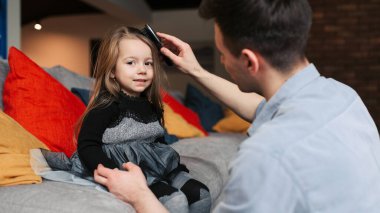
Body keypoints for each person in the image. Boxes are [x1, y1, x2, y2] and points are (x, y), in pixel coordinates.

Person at [94, 0, 380, 212]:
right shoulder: (342, 97)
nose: (224, 62)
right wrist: (197, 71)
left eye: (222, 54)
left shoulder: (267, 155)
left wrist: (139, 196)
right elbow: (262, 108)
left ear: (248, 61)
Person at [38, 26, 211, 213]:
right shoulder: (107, 106)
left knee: (200, 194)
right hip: (123, 169)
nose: (142, 70)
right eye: (131, 63)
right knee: (175, 201)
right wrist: (115, 173)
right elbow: (87, 145)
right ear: (112, 70)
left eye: (148, 63)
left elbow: (157, 141)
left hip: (155, 166)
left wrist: (172, 166)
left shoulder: (152, 104)